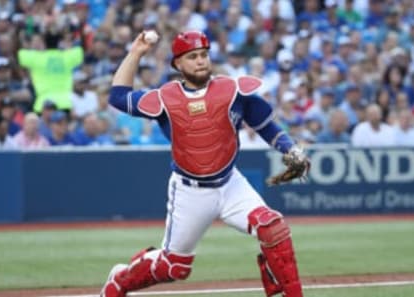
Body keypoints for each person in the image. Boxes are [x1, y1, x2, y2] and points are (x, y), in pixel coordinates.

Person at [100, 30, 307, 297]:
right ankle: (119, 280)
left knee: (273, 227)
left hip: (230, 183)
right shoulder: (165, 98)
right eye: (192, 57)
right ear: (178, 64)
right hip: (190, 191)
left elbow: (266, 126)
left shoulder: (232, 91)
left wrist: (290, 149)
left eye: (204, 55)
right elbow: (118, 97)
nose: (200, 61)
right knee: (174, 267)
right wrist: (136, 52)